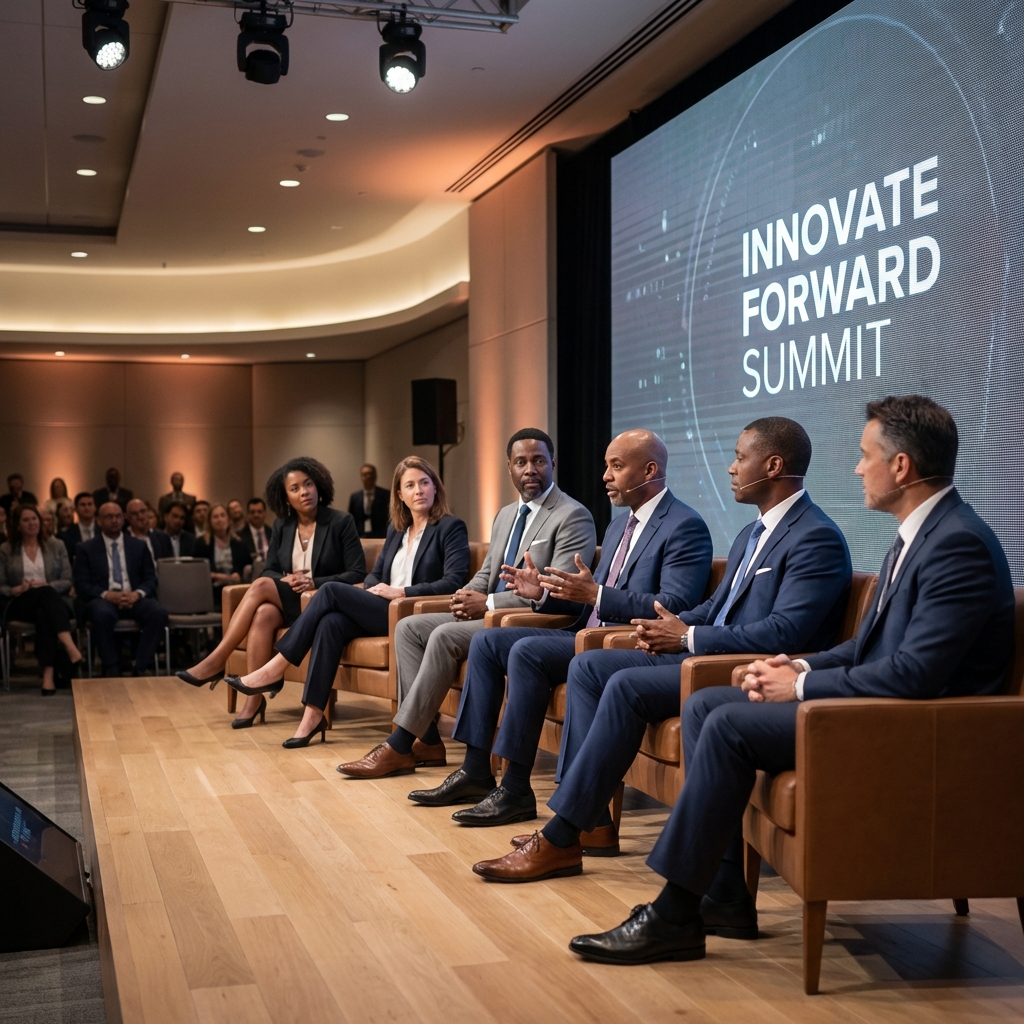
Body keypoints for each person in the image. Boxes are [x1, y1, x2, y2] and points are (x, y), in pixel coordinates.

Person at [566, 396, 1016, 966]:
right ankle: (724, 895)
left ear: (900, 467)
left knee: (724, 720)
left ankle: (674, 914)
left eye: (864, 455)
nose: (856, 468)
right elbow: (867, 647)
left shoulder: (958, 544)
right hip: (886, 711)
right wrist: (798, 666)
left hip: (920, 734)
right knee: (708, 709)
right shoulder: (921, 534)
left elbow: (915, 673)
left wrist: (798, 689)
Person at [471, 417, 852, 879]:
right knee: (590, 667)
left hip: (739, 667)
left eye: (739, 457)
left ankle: (562, 835)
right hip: (705, 651)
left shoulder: (816, 536)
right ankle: (584, 820)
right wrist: (671, 627)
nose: (730, 468)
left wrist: (687, 636)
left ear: (773, 465)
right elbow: (714, 605)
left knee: (624, 684)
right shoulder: (753, 532)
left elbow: (785, 633)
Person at [409, 429, 714, 823]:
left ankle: (517, 788)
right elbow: (584, 595)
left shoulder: (684, 525)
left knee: (526, 652)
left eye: (616, 466)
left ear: (650, 470)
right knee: (488, 643)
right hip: (582, 632)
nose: (605, 475)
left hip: (623, 644)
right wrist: (541, 594)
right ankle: (475, 770)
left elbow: (672, 606)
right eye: (606, 466)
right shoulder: (619, 526)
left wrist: (598, 596)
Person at [336, 428, 597, 780]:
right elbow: (487, 572)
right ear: (510, 468)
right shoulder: (506, 514)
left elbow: (559, 589)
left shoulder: (572, 515)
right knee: (409, 627)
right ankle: (427, 739)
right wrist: (463, 597)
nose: (530, 469)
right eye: (521, 462)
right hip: (491, 611)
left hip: (530, 620)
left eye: (538, 460)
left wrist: (487, 602)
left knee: (443, 635)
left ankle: (399, 744)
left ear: (553, 463)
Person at [228, 457, 470, 743]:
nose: (419, 490)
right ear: (400, 495)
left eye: (424, 483)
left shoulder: (450, 527)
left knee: (329, 591)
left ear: (435, 488)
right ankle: (313, 714)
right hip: (382, 606)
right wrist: (369, 589)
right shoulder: (396, 530)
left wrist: (401, 592)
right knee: (331, 623)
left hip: (411, 613)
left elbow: (454, 582)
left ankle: (276, 667)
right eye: (410, 485)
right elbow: (374, 575)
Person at [175, 457, 365, 688]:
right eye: (295, 489)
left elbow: (357, 572)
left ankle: (217, 659)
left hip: (321, 602)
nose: (304, 492)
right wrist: (286, 578)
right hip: (292, 602)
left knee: (262, 585)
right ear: (285, 498)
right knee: (264, 613)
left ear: (318, 486)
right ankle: (253, 700)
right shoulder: (282, 526)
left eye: (308, 484)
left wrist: (313, 581)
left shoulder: (341, 522)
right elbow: (270, 570)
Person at [73, 503, 167, 678]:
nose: (114, 520)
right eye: (108, 517)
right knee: (101, 614)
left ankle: (140, 666)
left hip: (134, 598)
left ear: (124, 519)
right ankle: (112, 665)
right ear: (99, 521)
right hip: (104, 599)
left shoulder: (138, 546)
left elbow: (150, 579)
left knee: (158, 612)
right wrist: (107, 595)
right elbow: (82, 584)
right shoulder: (86, 548)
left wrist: (137, 593)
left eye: (118, 516)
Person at [0, 505, 82, 694]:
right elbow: (1, 585)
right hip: (19, 602)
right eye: (26, 520)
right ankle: (70, 647)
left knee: (44, 611)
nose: (31, 523)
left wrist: (45, 585)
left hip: (52, 602)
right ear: (18, 525)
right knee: (44, 597)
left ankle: (48, 675)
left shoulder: (56, 545)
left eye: (34, 519)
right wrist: (17, 588)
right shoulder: (5, 550)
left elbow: (67, 579)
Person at [194, 504, 252, 609]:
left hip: (234, 587)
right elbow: (197, 570)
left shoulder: (239, 543)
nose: (219, 519)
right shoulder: (201, 543)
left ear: (228, 519)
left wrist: (237, 574)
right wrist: (216, 576)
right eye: (215, 517)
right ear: (210, 521)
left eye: (222, 515)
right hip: (211, 589)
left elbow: (245, 565)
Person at [348, 464, 390, 538]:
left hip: (381, 536)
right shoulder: (355, 497)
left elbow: (390, 517)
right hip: (360, 536)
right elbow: (351, 519)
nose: (368, 476)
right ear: (361, 477)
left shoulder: (386, 495)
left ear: (375, 476)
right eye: (365, 474)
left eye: (371, 474)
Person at [126, 498, 173, 565]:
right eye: (134, 514)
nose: (140, 517)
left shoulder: (162, 538)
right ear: (128, 517)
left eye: (143, 511)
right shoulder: (123, 539)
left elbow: (169, 566)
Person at [59, 493, 97, 564]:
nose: (87, 508)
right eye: (83, 505)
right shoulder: (66, 535)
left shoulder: (104, 531)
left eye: (89, 504)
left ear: (95, 508)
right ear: (75, 509)